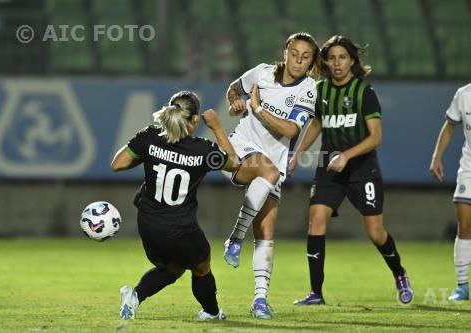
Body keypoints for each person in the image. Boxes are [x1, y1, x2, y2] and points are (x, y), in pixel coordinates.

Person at [288, 35, 414, 306]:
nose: (337, 63)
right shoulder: (321, 91)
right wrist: (297, 153)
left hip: (362, 169)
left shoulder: (363, 92)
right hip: (328, 167)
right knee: (316, 219)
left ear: (352, 61)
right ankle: (316, 293)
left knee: (375, 232)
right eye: (331, 57)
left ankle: (399, 273)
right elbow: (316, 124)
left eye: (342, 57)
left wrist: (347, 155)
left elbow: (376, 137)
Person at [111, 91, 239, 321]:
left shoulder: (150, 137)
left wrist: (150, 154)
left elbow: (118, 164)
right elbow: (234, 163)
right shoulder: (203, 150)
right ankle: (211, 312)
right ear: (196, 120)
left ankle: (135, 296)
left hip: (148, 223)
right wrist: (218, 128)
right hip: (178, 226)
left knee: (174, 268)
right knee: (202, 264)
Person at [222, 32, 321, 319]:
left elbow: (291, 131)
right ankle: (235, 238)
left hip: (274, 162)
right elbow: (233, 89)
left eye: (306, 57)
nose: (298, 61)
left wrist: (256, 107)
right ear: (286, 51)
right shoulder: (262, 73)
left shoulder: (308, 89)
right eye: (294, 53)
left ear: (312, 62)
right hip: (242, 147)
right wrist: (235, 103)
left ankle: (260, 300)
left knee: (265, 232)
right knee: (266, 168)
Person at [429, 45, 471, 301]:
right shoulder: (463, 95)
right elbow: (449, 126)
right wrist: (437, 157)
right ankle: (462, 287)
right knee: (465, 227)